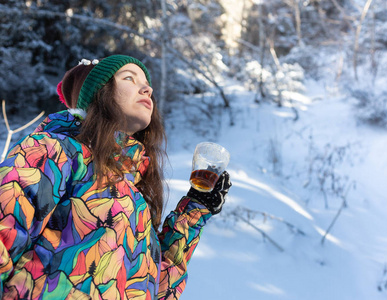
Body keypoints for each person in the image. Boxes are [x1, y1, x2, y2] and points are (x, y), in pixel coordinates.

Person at [0, 55, 231, 299]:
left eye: (147, 83)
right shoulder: (56, 151)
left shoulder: (135, 196)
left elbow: (155, 291)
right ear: (99, 95)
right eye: (129, 78)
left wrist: (195, 210)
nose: (147, 88)